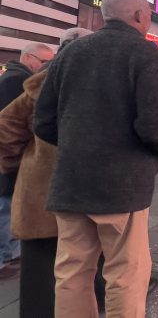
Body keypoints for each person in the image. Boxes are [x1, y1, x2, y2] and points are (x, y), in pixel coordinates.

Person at [33, 0, 158, 317]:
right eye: (149, 15)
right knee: (126, 273)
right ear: (140, 15)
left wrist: (79, 147)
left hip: (71, 181)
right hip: (122, 185)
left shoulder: (70, 53)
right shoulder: (145, 54)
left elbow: (42, 121)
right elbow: (155, 124)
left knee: (71, 272)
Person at [0, 28, 91, 315]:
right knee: (79, 256)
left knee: (43, 260)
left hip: (41, 184)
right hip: (80, 184)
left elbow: (7, 128)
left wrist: (19, 166)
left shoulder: (40, 80)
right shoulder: (90, 76)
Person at [0, 42, 53, 279]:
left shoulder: (22, 78)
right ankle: (5, 257)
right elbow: (8, 124)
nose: (45, 66)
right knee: (5, 209)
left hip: (20, 162)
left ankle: (9, 253)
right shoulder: (16, 81)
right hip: (19, 163)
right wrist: (13, 161)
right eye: (43, 62)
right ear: (29, 58)